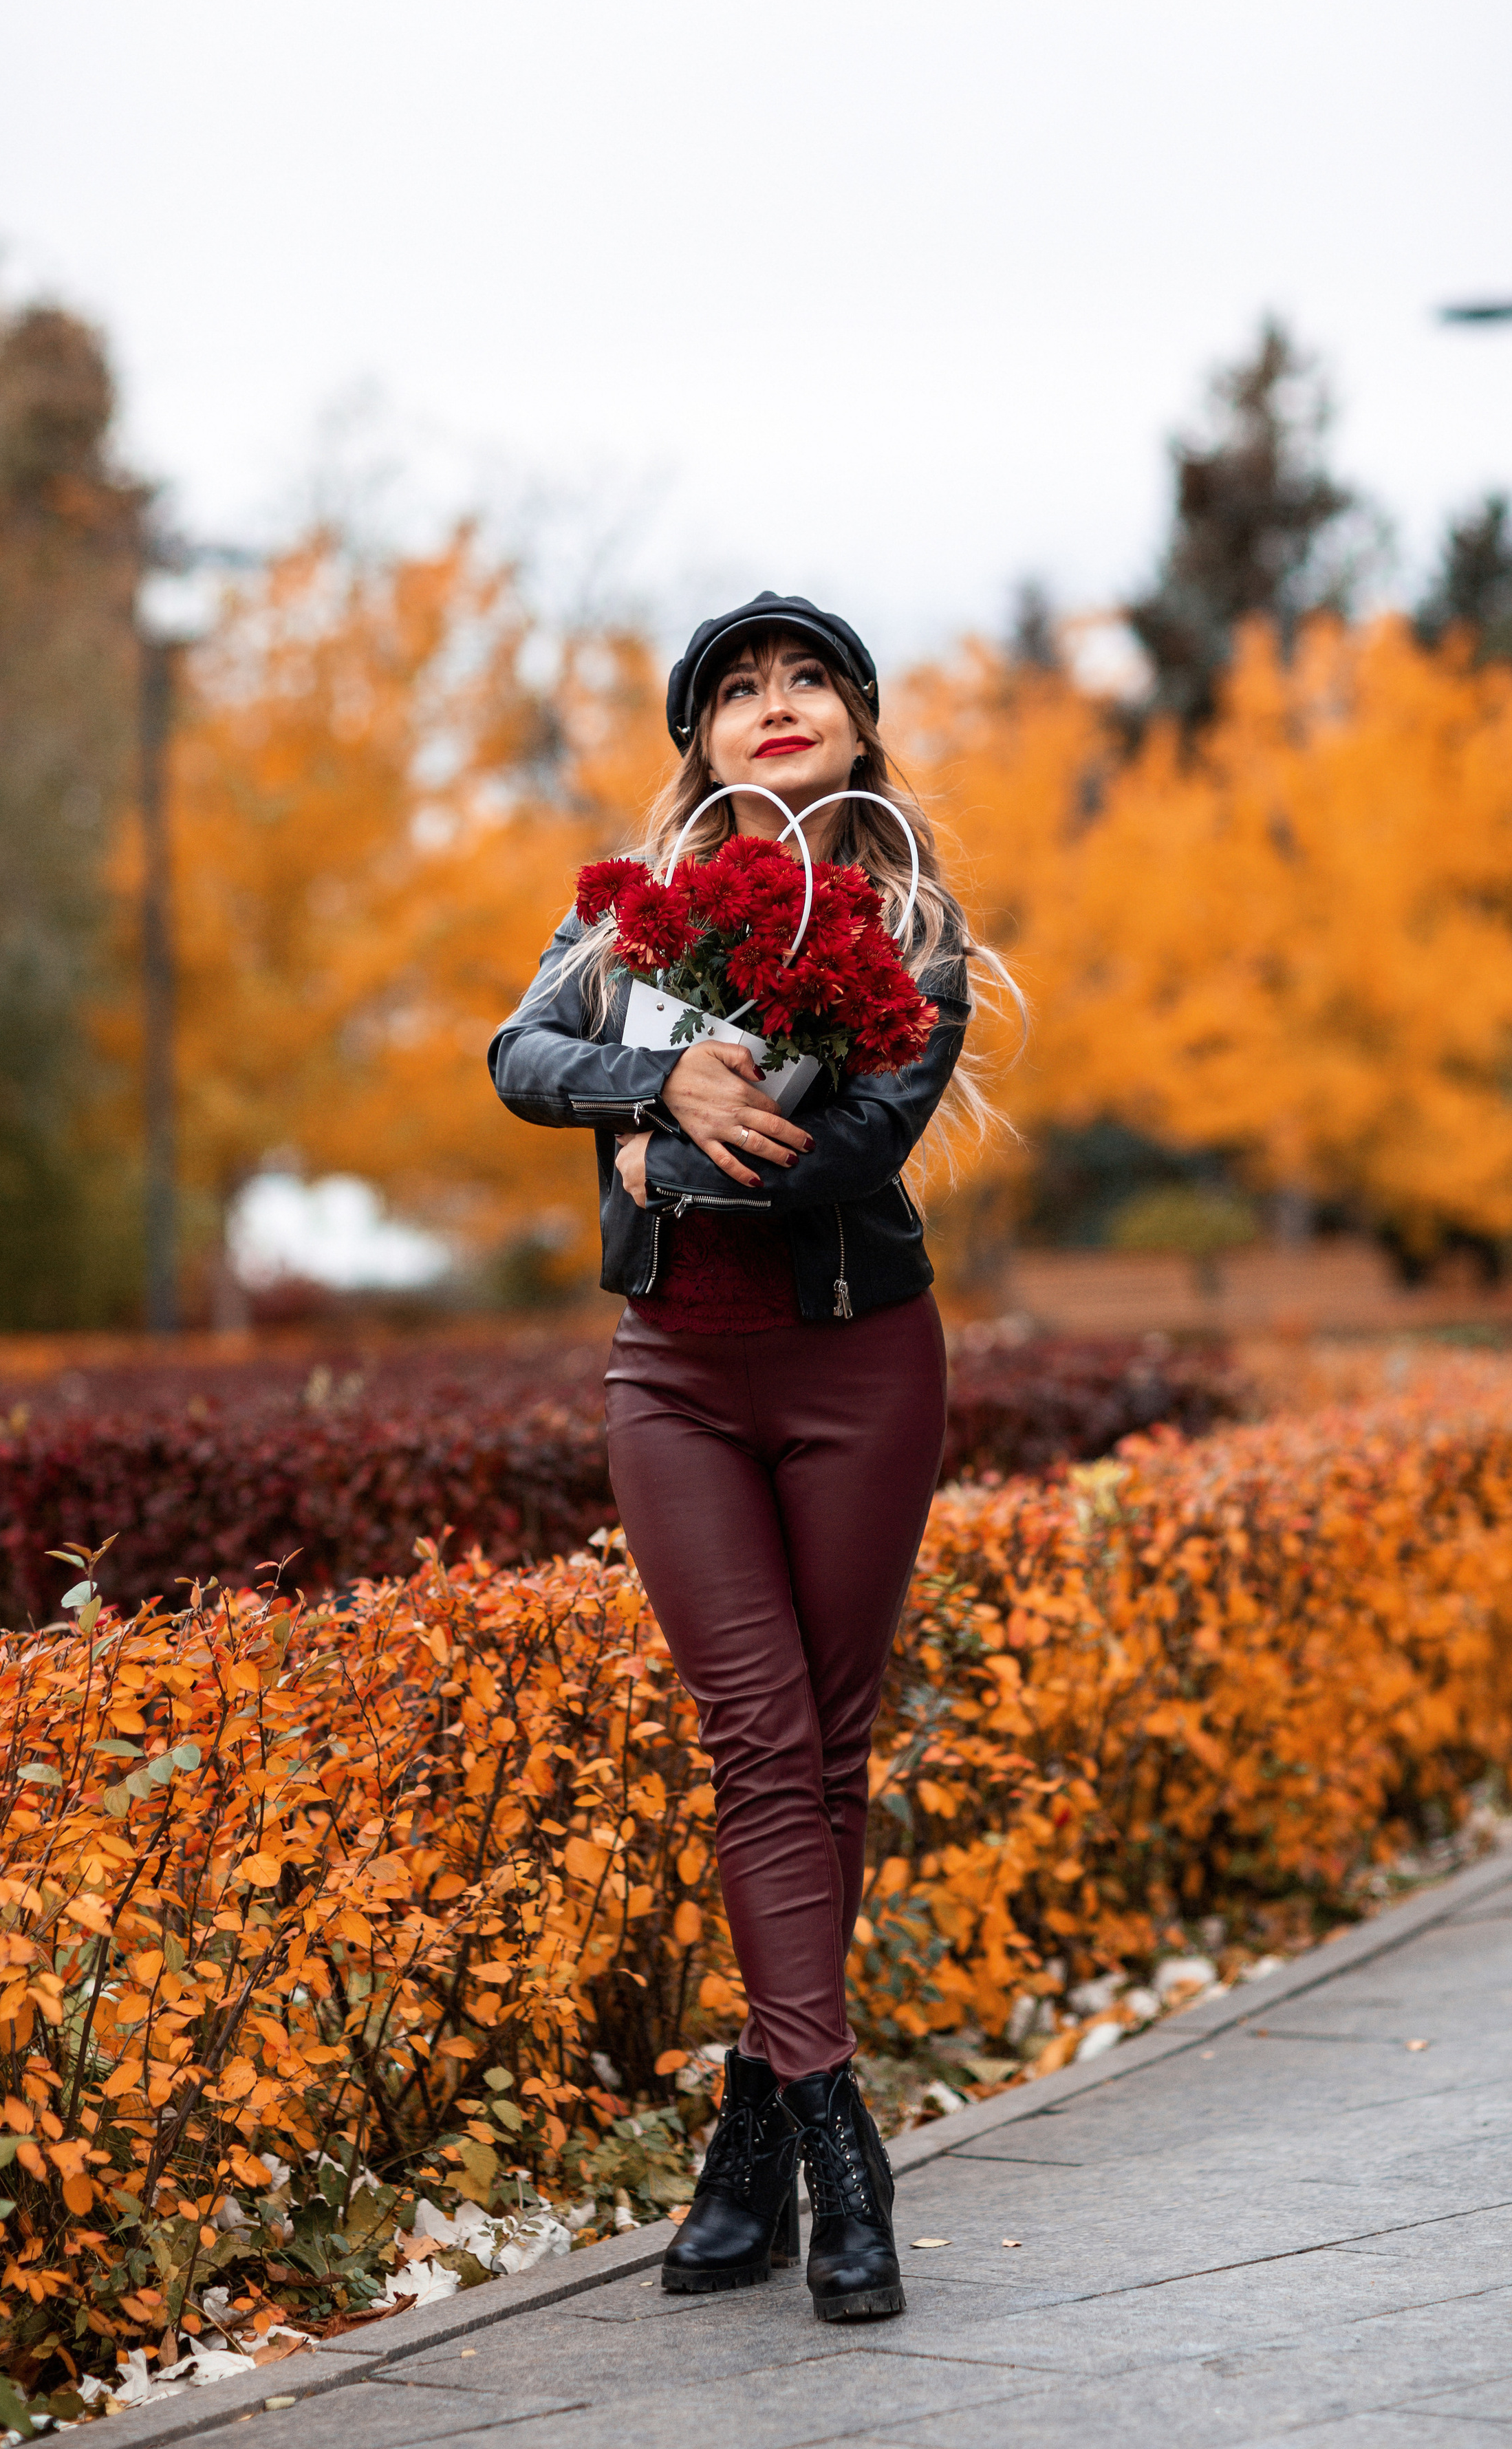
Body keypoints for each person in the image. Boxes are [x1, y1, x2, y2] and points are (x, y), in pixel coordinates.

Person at [488, 589, 1013, 2322]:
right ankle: (839, 2140)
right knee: (759, 1738)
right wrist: (649, 1097)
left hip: (861, 1368)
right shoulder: (636, 922)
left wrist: (669, 1155)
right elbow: (518, 1055)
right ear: (699, 741)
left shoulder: (913, 929)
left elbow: (848, 1153)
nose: (774, 705)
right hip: (678, 1385)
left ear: (857, 723)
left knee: (825, 1753)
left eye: (808, 682)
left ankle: (746, 2136)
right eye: (738, 690)